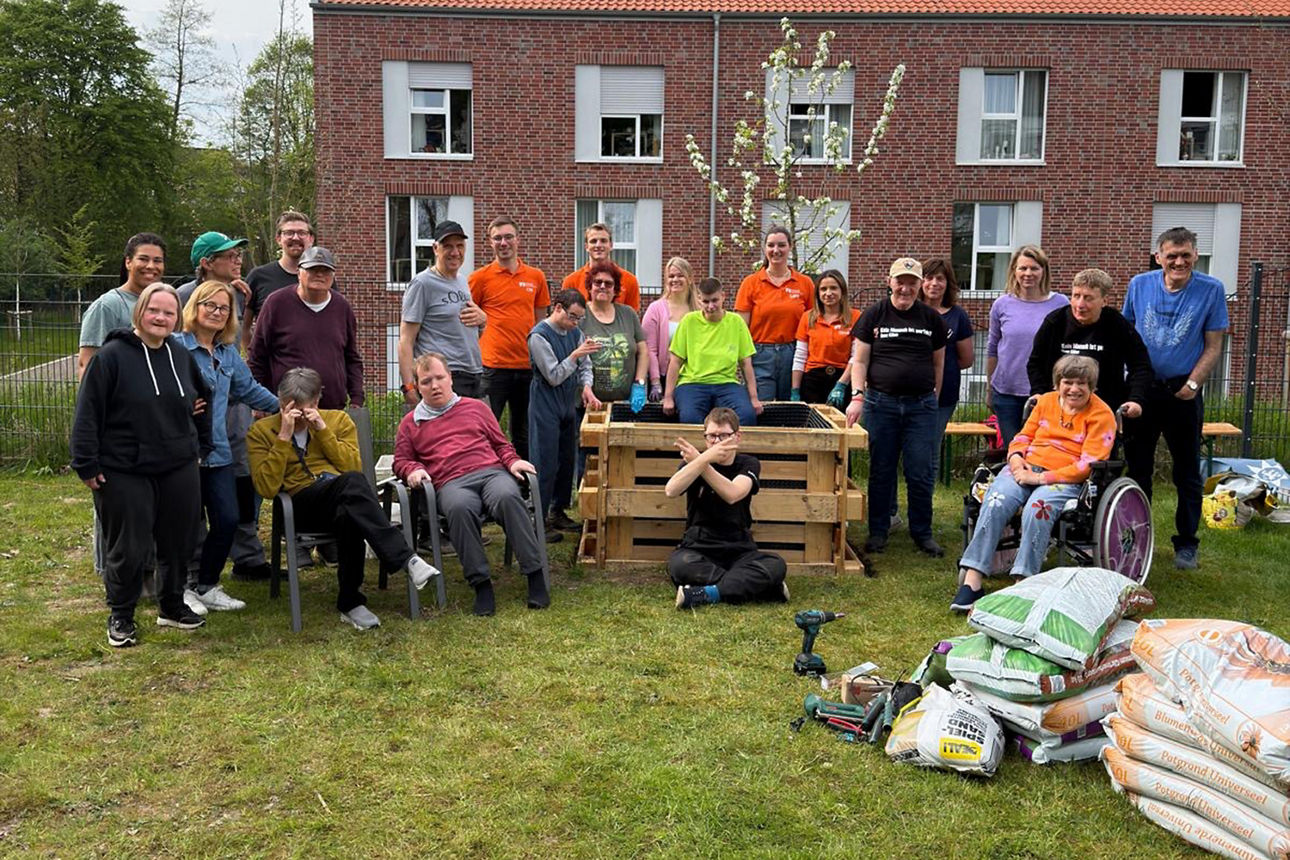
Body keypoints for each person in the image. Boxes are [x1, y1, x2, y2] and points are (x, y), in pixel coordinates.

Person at [71, 284, 213, 647]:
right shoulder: (111, 357)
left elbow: (201, 399)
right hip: (124, 468)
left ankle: (171, 605)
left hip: (178, 464)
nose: (161, 318)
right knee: (130, 547)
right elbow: (88, 413)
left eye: (169, 313)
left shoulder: (180, 355)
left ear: (177, 318)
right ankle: (122, 614)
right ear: (140, 313)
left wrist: (202, 443)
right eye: (155, 311)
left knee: (179, 541)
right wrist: (86, 463)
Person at [247, 368, 439, 630]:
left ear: (316, 403)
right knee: (352, 487)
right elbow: (266, 487)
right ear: (280, 402)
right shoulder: (261, 432)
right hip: (301, 505)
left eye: (304, 409)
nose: (297, 415)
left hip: (343, 498)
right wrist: (283, 437)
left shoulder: (337, 420)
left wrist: (322, 430)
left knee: (351, 507)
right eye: (288, 407)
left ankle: (351, 603)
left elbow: (352, 465)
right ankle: (407, 559)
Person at [951, 355, 1117, 611]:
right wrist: (1016, 460)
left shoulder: (1102, 414)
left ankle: (1024, 581)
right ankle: (973, 579)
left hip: (1064, 477)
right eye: (1068, 382)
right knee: (995, 501)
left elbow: (1087, 465)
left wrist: (1040, 478)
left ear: (1092, 386)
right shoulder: (1045, 403)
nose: (1074, 389)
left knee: (1037, 508)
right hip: (1025, 466)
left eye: (1081, 383)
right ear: (1057, 384)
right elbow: (1022, 437)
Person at [393, 353, 548, 617]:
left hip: (491, 473)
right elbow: (401, 460)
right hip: (451, 482)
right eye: (427, 381)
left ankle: (535, 575)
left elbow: (501, 444)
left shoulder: (476, 408)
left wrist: (512, 462)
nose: (435, 386)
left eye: (440, 378)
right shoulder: (411, 424)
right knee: (459, 508)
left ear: (450, 378)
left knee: (509, 498)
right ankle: (481, 584)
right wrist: (414, 469)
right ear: (417, 386)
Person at [1123, 226, 1229, 571]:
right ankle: (1138, 538)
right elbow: (1126, 334)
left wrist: (1195, 383)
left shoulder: (1211, 290)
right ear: (1159, 257)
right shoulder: (1139, 285)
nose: (1179, 262)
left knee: (1187, 472)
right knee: (1138, 469)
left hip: (1184, 389)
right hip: (1143, 389)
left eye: (1186, 255)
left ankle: (1186, 544)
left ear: (1196, 255)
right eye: (1172, 256)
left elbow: (1214, 345)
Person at [176, 229, 275, 585]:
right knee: (189, 519)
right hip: (185, 447)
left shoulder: (227, 350)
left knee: (230, 510)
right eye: (211, 306)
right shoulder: (178, 335)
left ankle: (211, 579)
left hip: (222, 440)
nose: (217, 312)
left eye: (223, 308)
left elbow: (247, 385)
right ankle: (188, 583)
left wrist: (286, 406)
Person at [845, 258, 948, 557]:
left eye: (912, 282)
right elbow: (860, 361)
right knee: (882, 470)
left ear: (919, 285)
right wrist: (857, 395)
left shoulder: (931, 319)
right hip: (881, 404)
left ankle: (922, 533)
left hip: (921, 407)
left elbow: (938, 363)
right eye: (900, 281)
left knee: (920, 471)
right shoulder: (874, 314)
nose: (906, 288)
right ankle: (878, 532)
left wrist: (934, 399)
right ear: (889, 281)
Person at [665, 407, 788, 609]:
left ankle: (706, 593)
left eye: (724, 435)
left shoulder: (748, 463)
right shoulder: (695, 464)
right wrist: (703, 459)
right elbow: (671, 490)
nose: (717, 442)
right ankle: (763, 589)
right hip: (699, 544)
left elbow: (732, 494)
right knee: (679, 566)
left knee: (776, 565)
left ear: (737, 437)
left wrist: (700, 461)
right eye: (711, 436)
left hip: (739, 546)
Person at [470, 216, 550, 458]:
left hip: (527, 368)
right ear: (490, 243)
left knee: (524, 432)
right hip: (492, 368)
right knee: (484, 428)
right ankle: (484, 478)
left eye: (507, 237)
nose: (503, 242)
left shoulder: (536, 277)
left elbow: (540, 324)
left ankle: (524, 486)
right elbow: (466, 320)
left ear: (518, 240)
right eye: (497, 238)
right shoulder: (479, 278)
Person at [248, 246, 364, 410]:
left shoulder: (342, 307)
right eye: (312, 269)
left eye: (325, 270)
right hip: (285, 407)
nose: (319, 274)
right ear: (299, 272)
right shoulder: (276, 303)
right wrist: (258, 403)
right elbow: (257, 356)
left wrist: (357, 398)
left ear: (333, 276)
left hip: (331, 408)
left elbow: (351, 357)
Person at [1027, 268, 1152, 417]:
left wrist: (1135, 399)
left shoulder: (1117, 325)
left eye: (1088, 298)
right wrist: (1038, 392)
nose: (1080, 304)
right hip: (1058, 409)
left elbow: (1140, 365)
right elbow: (1036, 363)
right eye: (1076, 296)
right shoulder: (1055, 322)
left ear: (1104, 301)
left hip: (1104, 410)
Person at [528, 290, 602, 538]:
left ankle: (557, 511)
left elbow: (586, 366)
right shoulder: (539, 336)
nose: (575, 323)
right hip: (545, 404)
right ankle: (538, 520)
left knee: (566, 460)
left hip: (567, 404)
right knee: (545, 462)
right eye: (573, 317)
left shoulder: (575, 332)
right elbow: (554, 375)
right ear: (557, 308)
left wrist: (587, 388)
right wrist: (575, 355)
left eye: (579, 319)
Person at [986, 245, 1068, 448]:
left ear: (1044, 271)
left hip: (1046, 393)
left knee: (1042, 451)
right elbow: (993, 347)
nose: (1028, 274)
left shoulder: (1061, 304)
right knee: (1013, 451)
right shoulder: (1002, 304)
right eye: (1023, 268)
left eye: (1034, 268)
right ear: (1014, 270)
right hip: (1006, 393)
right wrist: (990, 388)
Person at [398, 220, 488, 402]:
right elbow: (405, 341)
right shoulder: (422, 284)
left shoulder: (462, 281)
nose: (455, 252)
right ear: (435, 248)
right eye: (448, 246)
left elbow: (465, 329)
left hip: (473, 374)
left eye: (460, 246)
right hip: (444, 376)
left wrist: (483, 320)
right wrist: (408, 387)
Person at [664, 277, 760, 427]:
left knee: (747, 416)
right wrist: (668, 397)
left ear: (723, 296)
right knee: (690, 418)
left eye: (715, 300)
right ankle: (699, 451)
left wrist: (753, 398)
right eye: (706, 301)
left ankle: (733, 451)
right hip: (692, 383)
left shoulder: (736, 322)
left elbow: (746, 364)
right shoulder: (689, 321)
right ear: (699, 299)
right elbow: (675, 362)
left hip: (727, 383)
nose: (710, 306)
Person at [735, 226, 815, 402]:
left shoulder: (805, 283)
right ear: (765, 249)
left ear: (790, 247)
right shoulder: (751, 283)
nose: (776, 250)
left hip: (793, 353)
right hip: (760, 353)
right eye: (771, 245)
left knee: (790, 408)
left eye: (781, 245)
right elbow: (741, 329)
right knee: (762, 407)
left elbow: (812, 323)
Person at [77, 233, 167, 380]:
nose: (151, 266)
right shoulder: (108, 306)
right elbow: (86, 364)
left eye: (157, 261)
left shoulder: (166, 304)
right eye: (143, 259)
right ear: (128, 262)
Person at [581, 260, 649, 410]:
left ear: (615, 289)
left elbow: (643, 351)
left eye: (609, 283)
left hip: (624, 403)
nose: (603, 286)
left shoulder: (628, 314)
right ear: (590, 286)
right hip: (589, 403)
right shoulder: (580, 315)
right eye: (598, 282)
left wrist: (639, 384)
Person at [244, 211, 315, 351]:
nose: (295, 237)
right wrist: (254, 361)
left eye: (302, 233)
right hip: (272, 369)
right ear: (278, 239)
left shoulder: (321, 279)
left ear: (311, 239)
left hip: (313, 367)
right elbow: (244, 327)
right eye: (289, 233)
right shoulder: (258, 277)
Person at [920, 259, 975, 441]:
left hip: (944, 395)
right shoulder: (912, 311)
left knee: (932, 447)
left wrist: (943, 367)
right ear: (921, 282)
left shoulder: (957, 315)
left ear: (948, 283)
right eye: (929, 278)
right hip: (910, 391)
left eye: (940, 279)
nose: (934, 283)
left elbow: (966, 359)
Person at [791, 269, 858, 407]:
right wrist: (795, 390)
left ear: (842, 291)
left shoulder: (856, 317)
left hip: (843, 378)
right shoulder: (808, 317)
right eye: (823, 289)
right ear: (818, 294)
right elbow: (800, 356)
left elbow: (856, 356)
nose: (828, 293)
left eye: (833, 288)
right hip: (813, 380)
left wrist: (841, 385)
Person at [641, 257, 698, 402]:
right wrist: (655, 382)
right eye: (671, 276)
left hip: (694, 379)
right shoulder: (656, 309)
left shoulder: (699, 310)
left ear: (690, 278)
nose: (675, 279)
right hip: (663, 377)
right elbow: (650, 349)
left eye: (680, 275)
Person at [562, 222, 641, 314]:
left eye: (603, 241)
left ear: (611, 245)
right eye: (593, 241)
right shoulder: (571, 281)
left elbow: (631, 320)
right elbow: (564, 320)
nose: (598, 245)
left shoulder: (629, 281)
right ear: (586, 247)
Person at [177, 231, 250, 310]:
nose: (239, 261)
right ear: (206, 264)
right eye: (231, 256)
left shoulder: (239, 294)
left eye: (238, 255)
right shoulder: (183, 296)